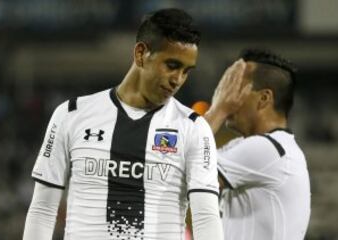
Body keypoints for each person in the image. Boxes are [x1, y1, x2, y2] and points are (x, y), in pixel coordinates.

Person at [23, 8, 223, 240]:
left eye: (186, 71)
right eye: (171, 65)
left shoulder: (193, 128)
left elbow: (206, 217)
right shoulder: (71, 114)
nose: (178, 79)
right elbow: (43, 209)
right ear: (140, 53)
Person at [204, 49, 311, 240]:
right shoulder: (263, 147)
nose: (228, 96)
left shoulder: (267, 150)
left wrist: (217, 110)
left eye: (236, 88)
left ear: (264, 98)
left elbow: (181, 172)